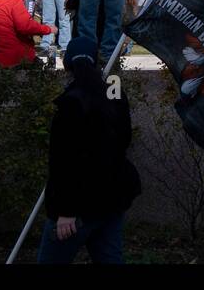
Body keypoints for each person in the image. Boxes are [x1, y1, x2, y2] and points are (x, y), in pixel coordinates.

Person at [38, 36, 141, 264]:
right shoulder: (114, 97)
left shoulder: (70, 104)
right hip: (112, 197)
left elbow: (63, 161)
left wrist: (65, 211)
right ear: (95, 62)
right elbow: (124, 141)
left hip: (79, 207)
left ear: (68, 66)